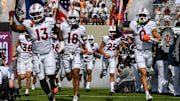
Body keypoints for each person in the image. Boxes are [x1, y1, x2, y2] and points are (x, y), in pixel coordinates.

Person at [9, 3, 65, 101]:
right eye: (33, 14)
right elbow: (16, 28)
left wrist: (62, 43)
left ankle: (53, 82)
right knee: (41, 78)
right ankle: (49, 96)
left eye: (38, 14)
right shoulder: (28, 23)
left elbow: (58, 31)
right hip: (36, 55)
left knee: (51, 73)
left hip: (48, 53)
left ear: (42, 12)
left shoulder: (49, 21)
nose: (36, 17)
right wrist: (12, 19)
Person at [122, 8, 161, 101]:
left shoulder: (151, 24)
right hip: (138, 51)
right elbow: (128, 30)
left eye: (143, 15)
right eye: (140, 15)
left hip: (148, 52)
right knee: (143, 72)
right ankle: (147, 94)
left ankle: (148, 85)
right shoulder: (135, 24)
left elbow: (159, 39)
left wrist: (149, 38)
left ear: (147, 16)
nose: (142, 17)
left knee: (147, 72)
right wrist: (120, 28)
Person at [59, 9, 92, 101]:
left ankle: (76, 95)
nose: (72, 19)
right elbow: (57, 33)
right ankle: (75, 91)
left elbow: (85, 41)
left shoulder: (82, 29)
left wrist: (89, 50)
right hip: (66, 53)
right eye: (71, 17)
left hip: (76, 52)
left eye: (74, 17)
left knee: (76, 73)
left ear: (77, 18)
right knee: (69, 77)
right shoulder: (64, 26)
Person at [99, 26, 120, 94]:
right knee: (105, 72)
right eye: (111, 32)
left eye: (114, 32)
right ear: (109, 32)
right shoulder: (106, 39)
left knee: (112, 73)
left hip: (112, 58)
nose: (113, 33)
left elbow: (119, 48)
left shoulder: (118, 40)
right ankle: (102, 73)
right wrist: (105, 55)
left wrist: (117, 53)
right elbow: (99, 49)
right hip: (105, 58)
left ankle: (112, 89)